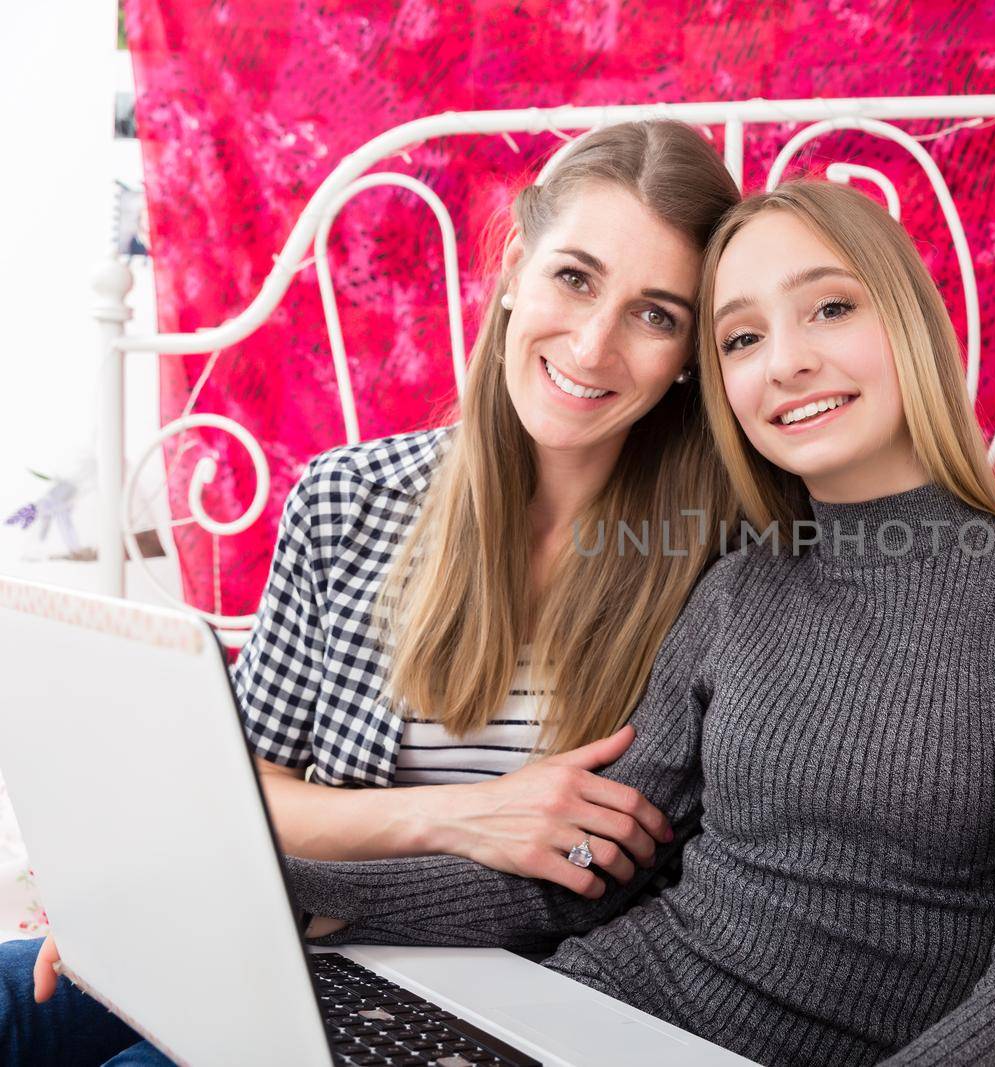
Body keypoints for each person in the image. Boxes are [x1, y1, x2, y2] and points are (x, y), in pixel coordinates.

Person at [285, 181, 995, 1066]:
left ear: (910, 319)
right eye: (743, 337)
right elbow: (580, 877)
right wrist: (296, 892)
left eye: (830, 308)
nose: (785, 363)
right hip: (591, 1006)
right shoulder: (736, 589)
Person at [1, 119, 741, 1066]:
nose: (593, 345)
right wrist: (456, 814)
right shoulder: (350, 500)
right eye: (575, 276)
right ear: (514, 266)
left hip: (509, 992)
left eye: (655, 313)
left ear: (691, 353)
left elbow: (629, 890)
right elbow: (243, 792)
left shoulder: (720, 563)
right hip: (295, 939)